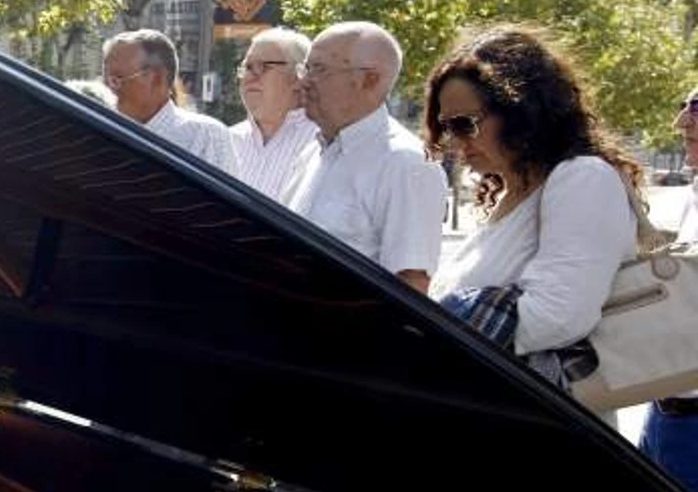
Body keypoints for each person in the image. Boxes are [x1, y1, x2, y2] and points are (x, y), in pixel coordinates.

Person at [427, 26, 640, 392]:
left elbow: (560, 315)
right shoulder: (507, 194)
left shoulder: (582, 179)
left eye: (465, 124)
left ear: (521, 112)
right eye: (445, 127)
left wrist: (446, 321)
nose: (454, 142)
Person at [286, 21, 448, 292]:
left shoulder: (407, 165)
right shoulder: (312, 152)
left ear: (370, 79)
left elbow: (411, 290)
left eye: (319, 69)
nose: (303, 82)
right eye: (306, 68)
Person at [639, 86, 698, 488]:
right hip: (664, 412)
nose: (681, 122)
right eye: (684, 106)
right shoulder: (694, 194)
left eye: (696, 108)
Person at [101, 29, 237, 173]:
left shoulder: (205, 136)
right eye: (104, 80)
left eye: (116, 80)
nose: (107, 89)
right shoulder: (98, 132)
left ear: (157, 78)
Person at [229, 27, 320, 199]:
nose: (250, 77)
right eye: (247, 67)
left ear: (298, 76)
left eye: (263, 67)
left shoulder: (322, 144)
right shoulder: (227, 140)